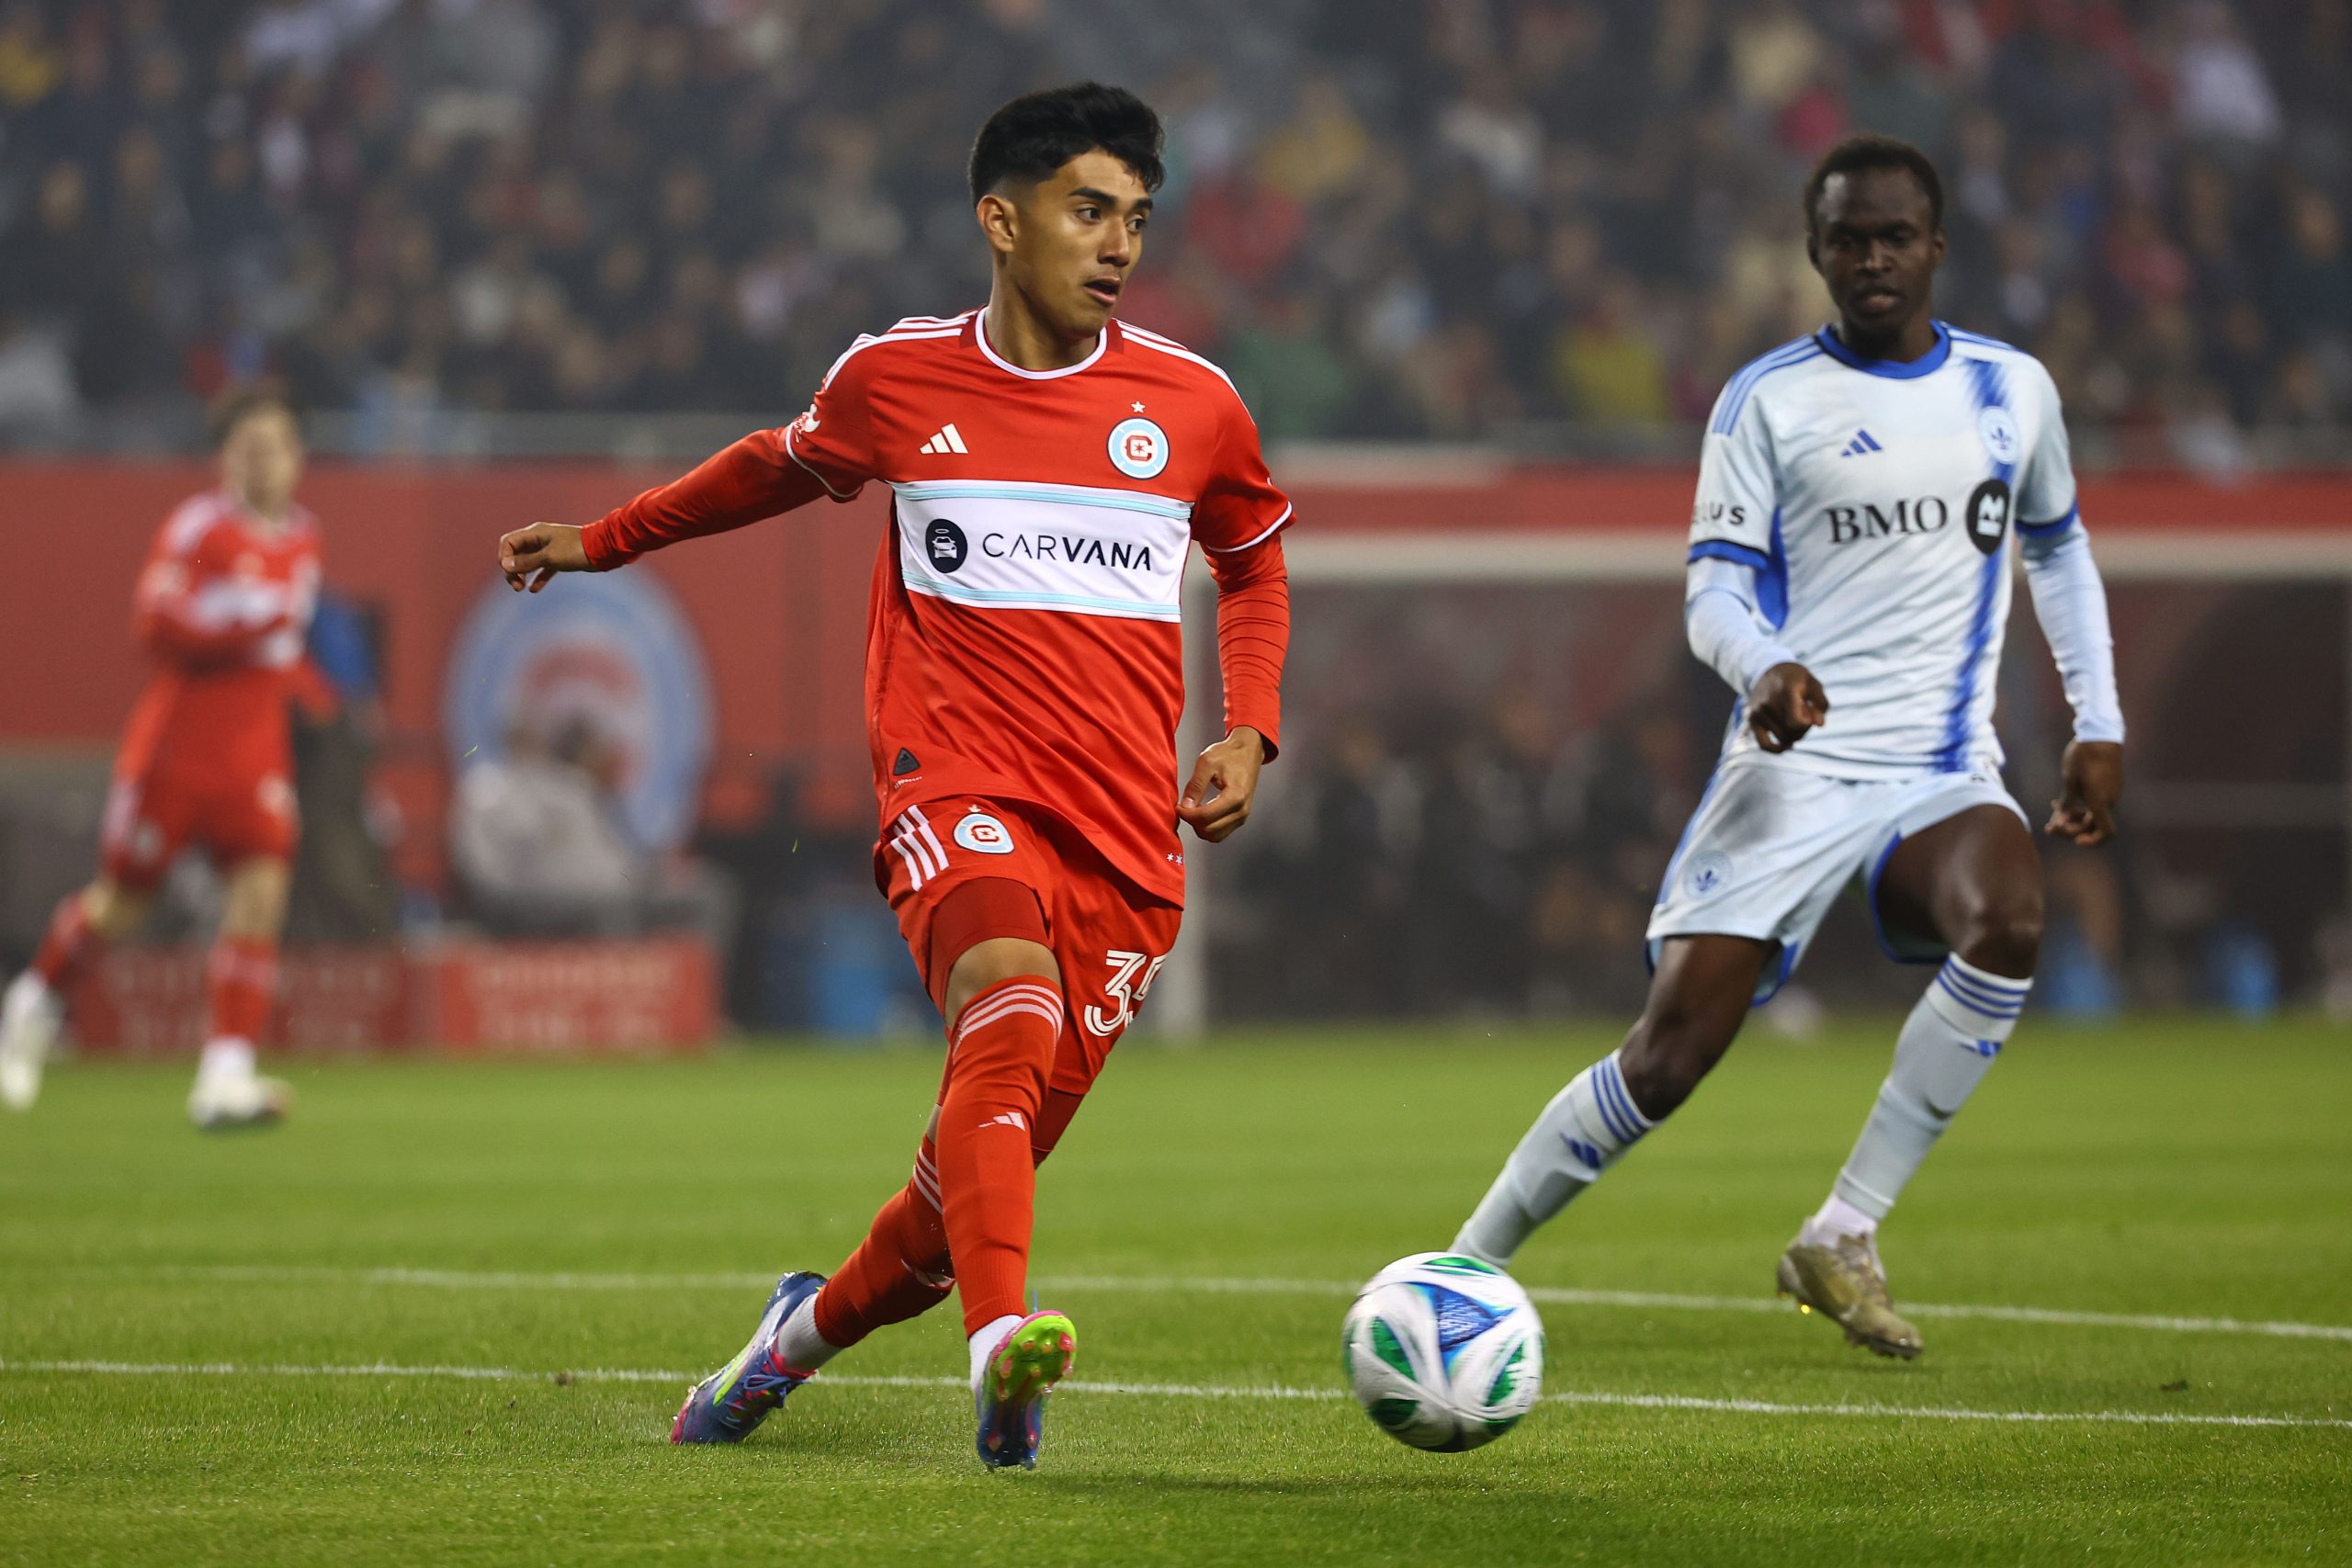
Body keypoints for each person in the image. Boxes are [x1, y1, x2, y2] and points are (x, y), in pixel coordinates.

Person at [493, 83, 1292, 1467]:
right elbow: (772, 467)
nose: (1118, 245)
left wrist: (1250, 727)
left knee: (956, 1185)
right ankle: (1003, 1352)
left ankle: (789, 1338)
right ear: (1002, 217)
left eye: (1137, 220)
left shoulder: (1194, 404)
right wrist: (606, 538)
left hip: (1124, 842)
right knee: (1009, 1004)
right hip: (955, 782)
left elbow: (1255, 560)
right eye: (1088, 209)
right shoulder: (898, 379)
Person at [1453, 134, 2126, 1359]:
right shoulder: (1766, 400)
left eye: (1894, 236)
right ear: (1816, 251)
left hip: (1942, 766)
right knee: (1669, 1057)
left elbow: (2059, 551)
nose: (1871, 257)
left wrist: (2099, 720)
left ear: (1936, 247)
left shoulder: (2013, 390)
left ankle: (1844, 1228)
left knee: (2013, 912)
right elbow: (1712, 587)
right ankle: (1463, 1261)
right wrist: (1762, 664)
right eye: (1847, 238)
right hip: (1794, 765)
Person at [0, 389, 324, 1128]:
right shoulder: (198, 530)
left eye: (276, 445)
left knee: (262, 891)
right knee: (124, 900)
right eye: (249, 447)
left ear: (299, 457)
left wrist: (317, 689)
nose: (264, 460)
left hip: (255, 752)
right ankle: (33, 1002)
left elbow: (283, 647)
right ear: (225, 459)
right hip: (179, 751)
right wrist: (246, 619)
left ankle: (225, 1075)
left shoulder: (305, 536)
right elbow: (156, 622)